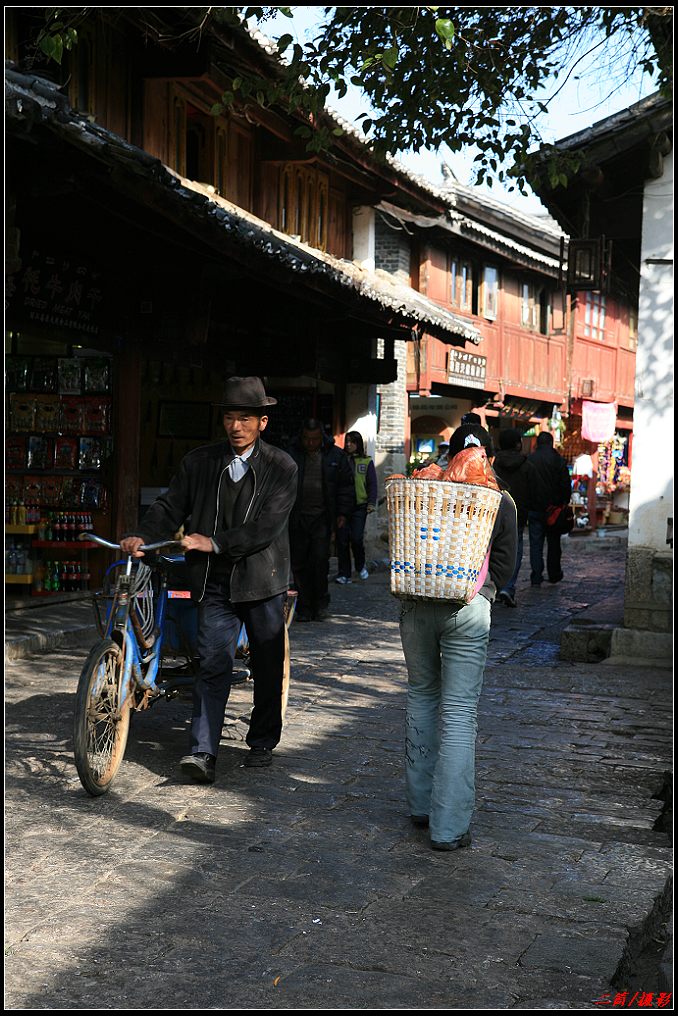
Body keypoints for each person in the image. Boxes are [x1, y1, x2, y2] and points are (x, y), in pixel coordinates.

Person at [120, 376, 298, 783]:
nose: (236, 426)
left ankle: (262, 741)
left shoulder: (281, 467)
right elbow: (170, 505)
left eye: (246, 419)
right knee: (212, 664)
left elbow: (265, 528)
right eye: (230, 418)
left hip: (261, 580)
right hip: (212, 583)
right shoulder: (199, 463)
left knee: (268, 665)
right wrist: (144, 536)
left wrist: (214, 542)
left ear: (262, 423)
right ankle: (202, 752)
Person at [399, 423, 517, 851]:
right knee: (460, 713)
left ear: (450, 456)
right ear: (487, 455)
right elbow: (506, 564)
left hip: (415, 604)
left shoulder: (423, 488)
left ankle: (420, 807)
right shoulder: (499, 498)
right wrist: (483, 592)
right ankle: (448, 828)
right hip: (467, 608)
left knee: (420, 696)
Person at [287, 418, 355, 621]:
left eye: (314, 439)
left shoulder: (335, 455)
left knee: (319, 562)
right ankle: (304, 607)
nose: (310, 443)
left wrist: (342, 513)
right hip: (297, 517)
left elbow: (345, 486)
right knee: (299, 564)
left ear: (321, 438)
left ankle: (320, 603)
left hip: (322, 518)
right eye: (307, 439)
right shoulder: (292, 454)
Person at [492, 428, 538, 607]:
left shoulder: (494, 464)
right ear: (518, 444)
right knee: (515, 551)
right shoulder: (527, 466)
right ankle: (508, 587)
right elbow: (533, 492)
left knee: (493, 549)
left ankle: (494, 586)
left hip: (495, 512)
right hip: (518, 514)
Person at [527, 431, 572, 586]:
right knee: (554, 544)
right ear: (551, 443)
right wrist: (564, 501)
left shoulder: (530, 460)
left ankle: (536, 576)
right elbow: (566, 484)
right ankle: (554, 573)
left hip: (534, 508)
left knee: (536, 544)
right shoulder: (558, 460)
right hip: (554, 510)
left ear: (537, 444)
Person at [335, 430, 378, 584]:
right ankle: (344, 573)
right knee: (342, 540)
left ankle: (360, 566)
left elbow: (372, 483)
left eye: (352, 442)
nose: (348, 444)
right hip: (342, 507)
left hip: (360, 506)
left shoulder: (366, 461)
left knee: (356, 538)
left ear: (358, 444)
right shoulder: (341, 460)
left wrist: (371, 502)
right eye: (347, 441)